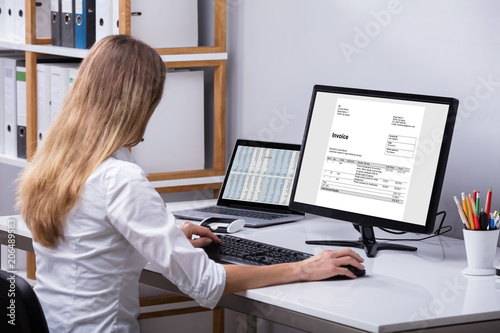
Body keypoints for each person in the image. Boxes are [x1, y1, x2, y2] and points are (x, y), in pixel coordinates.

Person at [16, 35, 364, 332]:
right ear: (142, 103)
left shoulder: (54, 162)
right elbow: (206, 284)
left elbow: (90, 245)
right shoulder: (120, 177)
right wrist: (304, 268)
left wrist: (166, 237)